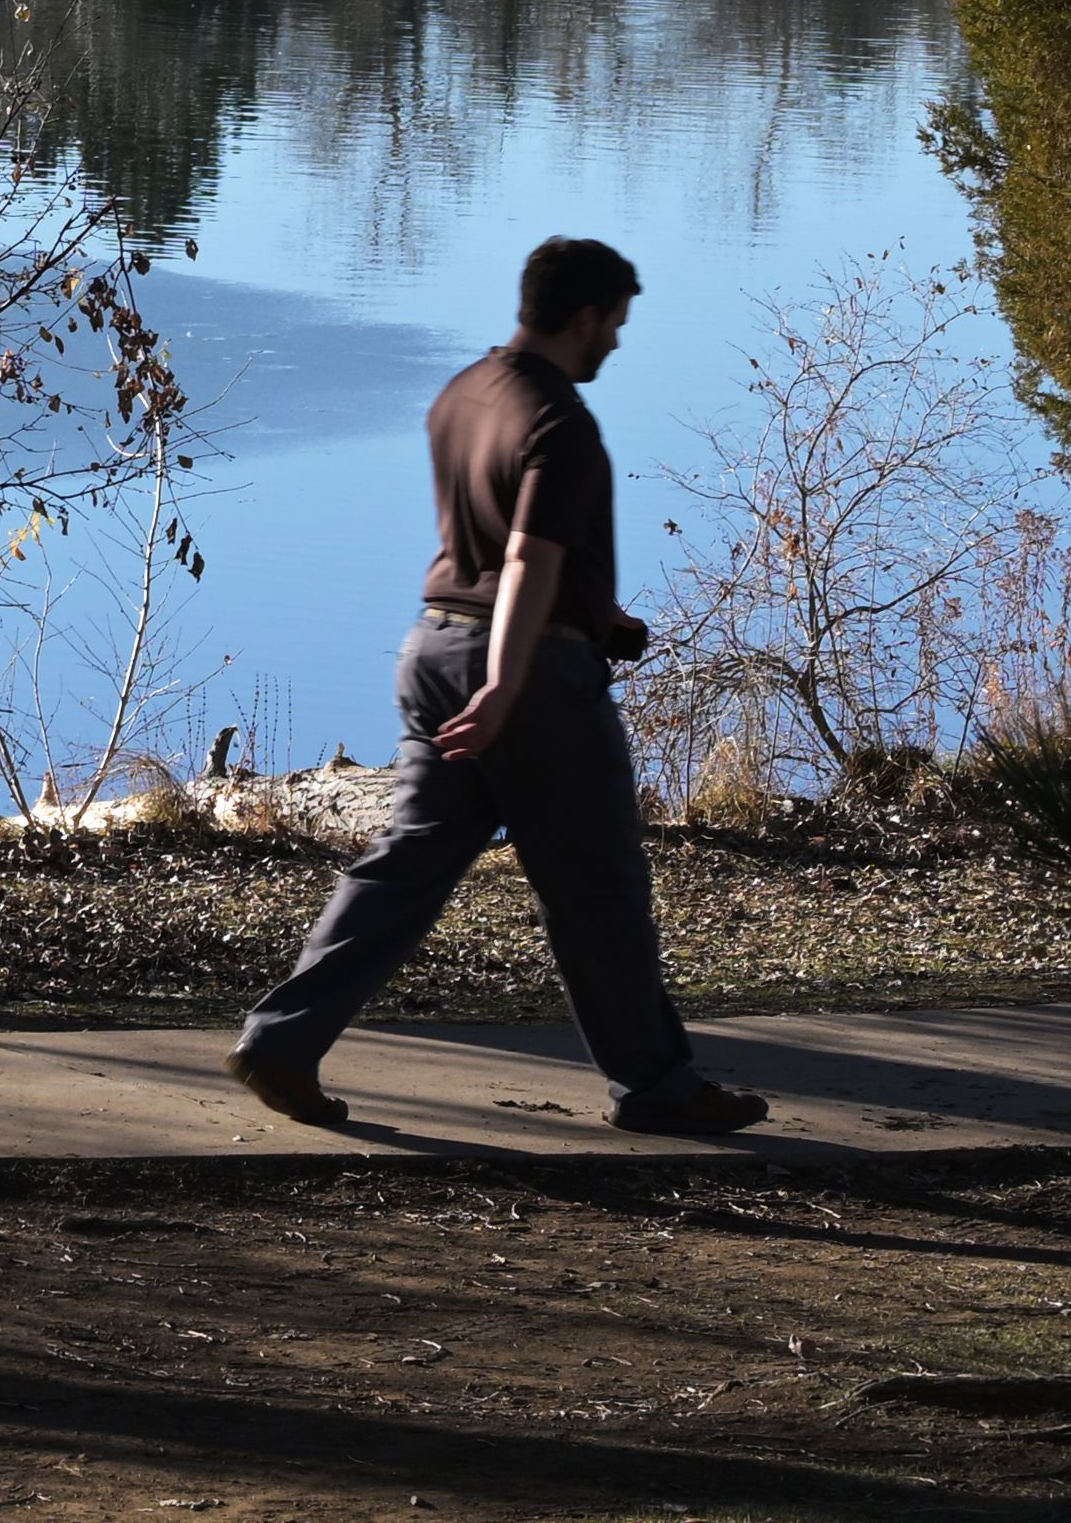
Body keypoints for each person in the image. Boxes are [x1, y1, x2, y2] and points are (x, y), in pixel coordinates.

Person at [224, 235, 767, 1140]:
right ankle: (655, 1084)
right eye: (616, 324)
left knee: (408, 864)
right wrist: (513, 676)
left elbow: (491, 548)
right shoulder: (560, 420)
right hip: (524, 677)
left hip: (433, 647)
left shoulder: (463, 394)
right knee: (598, 882)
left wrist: (600, 617)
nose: (618, 344)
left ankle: (282, 1038)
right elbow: (525, 555)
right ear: (586, 315)